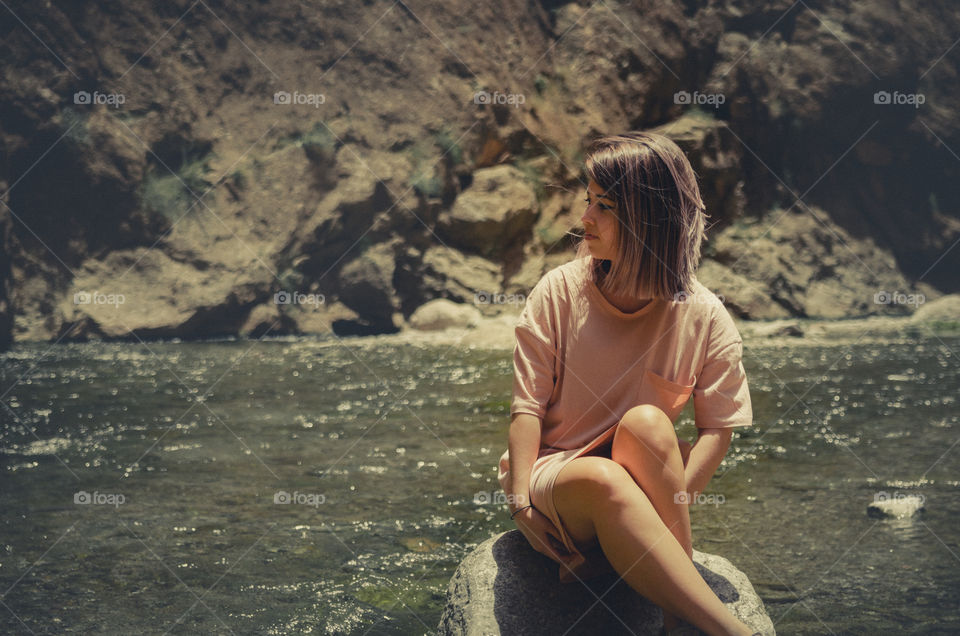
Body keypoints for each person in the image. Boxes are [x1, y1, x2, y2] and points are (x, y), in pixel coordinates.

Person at [497, 132, 758, 636]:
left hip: (648, 484)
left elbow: (717, 432)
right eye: (588, 201)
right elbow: (525, 408)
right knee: (604, 478)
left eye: (605, 206)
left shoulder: (704, 315)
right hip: (561, 481)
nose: (584, 219)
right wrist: (521, 503)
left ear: (648, 218)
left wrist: (668, 509)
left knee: (646, 425)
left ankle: (673, 611)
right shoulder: (558, 291)